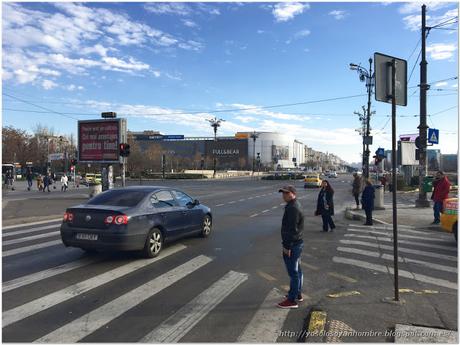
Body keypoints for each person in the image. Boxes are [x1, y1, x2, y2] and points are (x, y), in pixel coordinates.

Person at [277, 185, 304, 309]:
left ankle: (292, 300)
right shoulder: (293, 205)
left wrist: (287, 246)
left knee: (293, 272)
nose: (284, 195)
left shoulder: (292, 208)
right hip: (297, 243)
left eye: (286, 193)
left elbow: (292, 230)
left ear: (293, 194)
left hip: (293, 244)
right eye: (283, 193)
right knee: (297, 270)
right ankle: (297, 293)